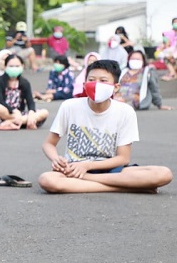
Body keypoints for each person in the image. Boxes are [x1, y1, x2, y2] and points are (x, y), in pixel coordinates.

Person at [38, 59, 173, 193]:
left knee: (163, 174)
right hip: (73, 167)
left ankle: (86, 179)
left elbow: (123, 158)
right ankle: (124, 187)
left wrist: (86, 168)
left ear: (116, 87)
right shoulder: (69, 106)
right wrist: (57, 160)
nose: (96, 84)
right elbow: (49, 144)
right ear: (85, 84)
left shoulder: (125, 111)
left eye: (103, 80)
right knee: (47, 180)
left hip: (110, 169)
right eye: (92, 79)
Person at [0, 53, 48, 130]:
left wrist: (31, 112)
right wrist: (13, 111)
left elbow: (30, 101)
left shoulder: (24, 83)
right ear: (5, 67)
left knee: (44, 112)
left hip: (20, 113)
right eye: (11, 66)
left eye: (17, 66)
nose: (14, 68)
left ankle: (11, 122)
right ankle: (22, 121)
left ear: (22, 66)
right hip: (6, 112)